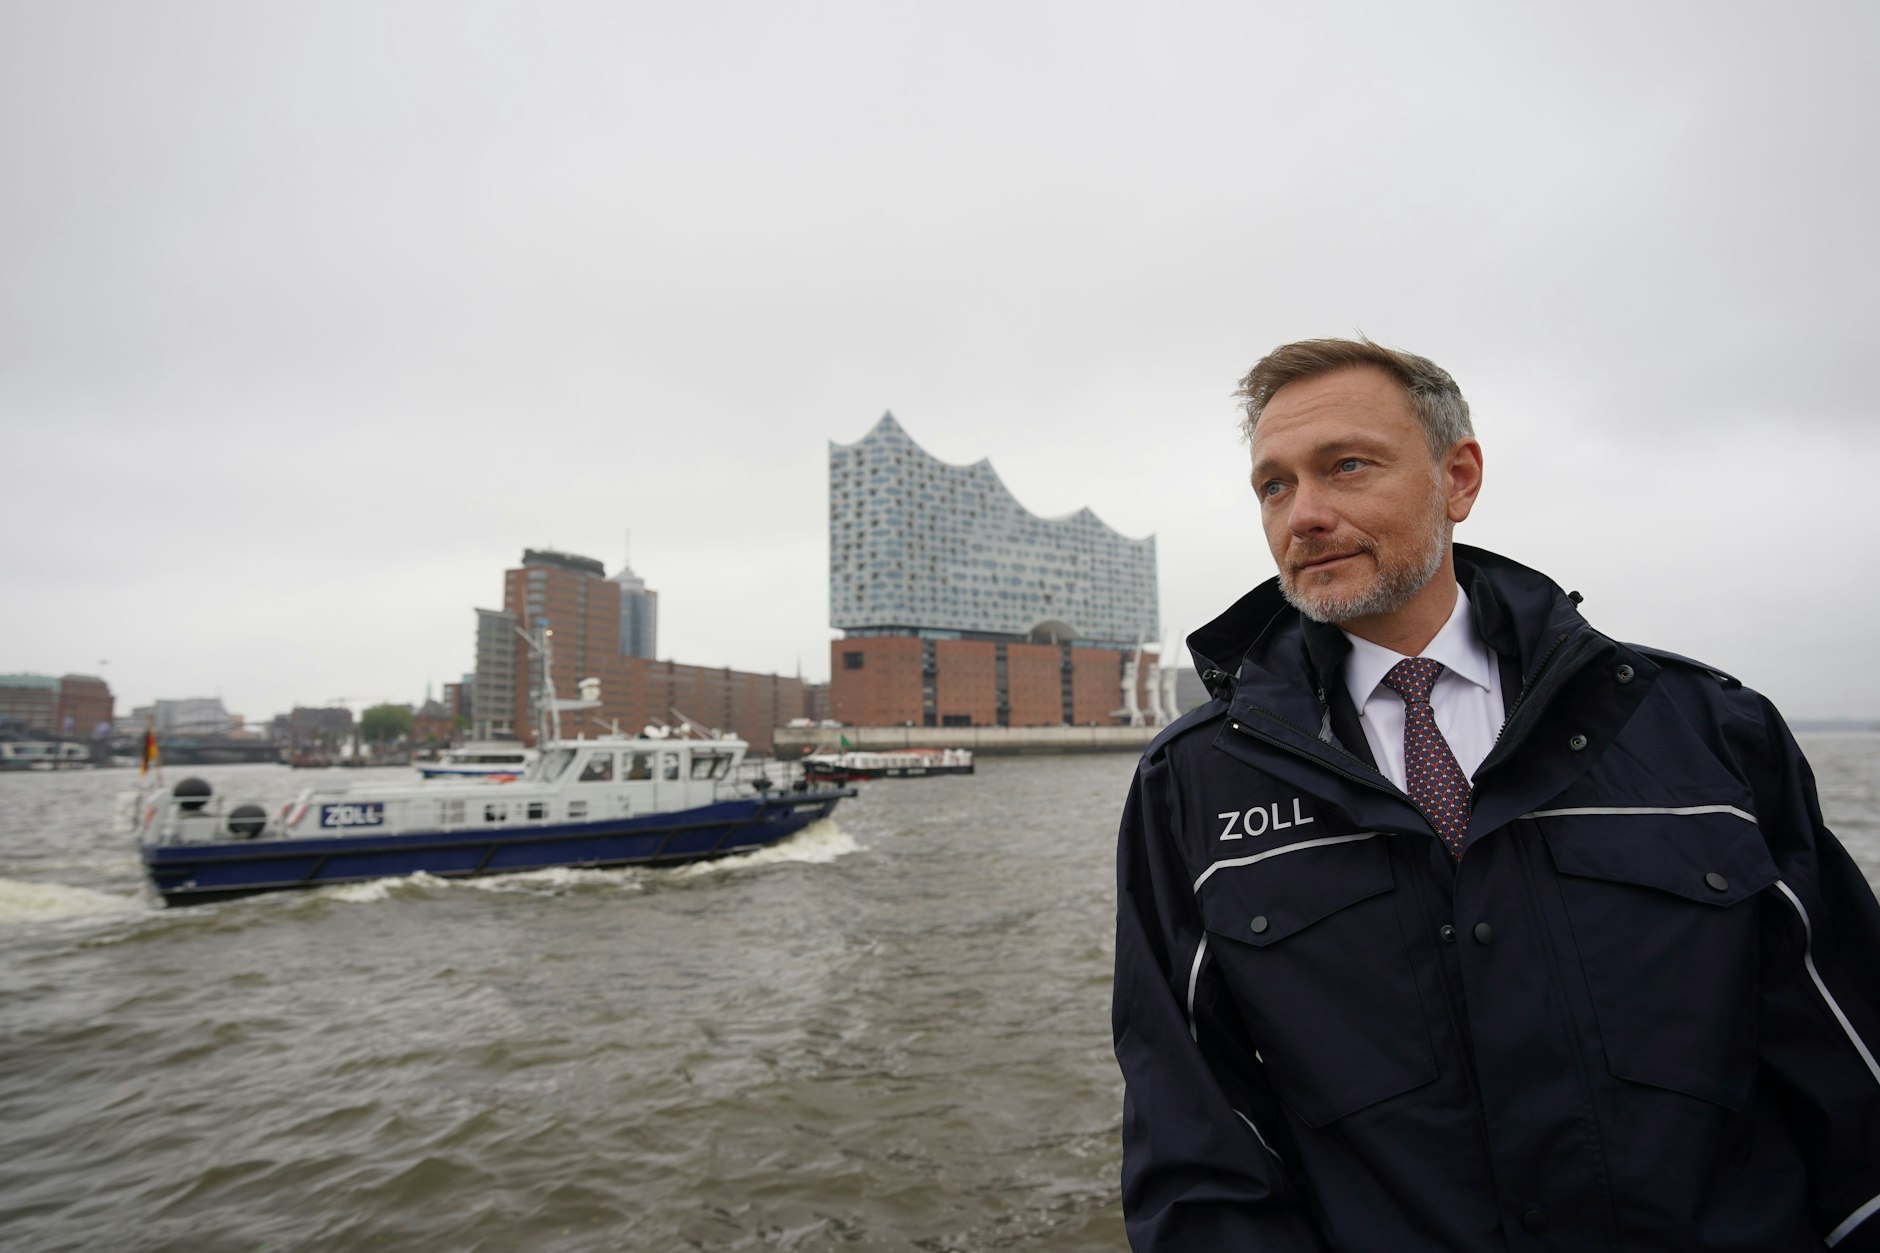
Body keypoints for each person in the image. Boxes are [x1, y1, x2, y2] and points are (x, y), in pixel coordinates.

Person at [1111, 337, 1880, 1251]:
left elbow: (1849, 1069)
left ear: (1459, 477)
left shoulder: (1707, 730)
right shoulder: (1192, 782)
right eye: (1273, 486)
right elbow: (1193, 1133)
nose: (1304, 514)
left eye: (1345, 466)